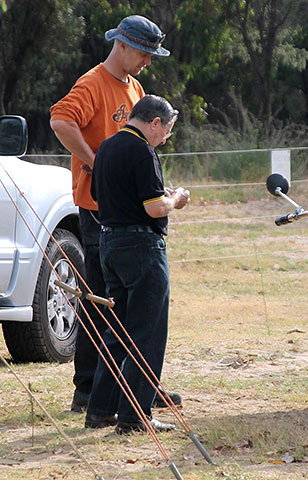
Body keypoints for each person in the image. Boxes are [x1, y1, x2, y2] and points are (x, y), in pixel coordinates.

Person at [50, 15, 180, 412]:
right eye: (144, 53)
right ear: (122, 45)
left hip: (127, 214)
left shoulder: (135, 86)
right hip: (97, 211)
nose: (148, 61)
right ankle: (89, 389)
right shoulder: (92, 83)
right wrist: (94, 162)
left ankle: (134, 385)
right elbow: (60, 119)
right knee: (103, 301)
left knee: (127, 307)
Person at [84, 95, 189, 433]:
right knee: (148, 331)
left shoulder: (107, 147)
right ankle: (134, 416)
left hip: (109, 243)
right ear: (155, 122)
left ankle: (99, 409)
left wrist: (155, 196)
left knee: (117, 331)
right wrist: (175, 199)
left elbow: (100, 197)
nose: (165, 138)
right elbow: (155, 208)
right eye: (167, 131)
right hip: (142, 246)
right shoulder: (143, 149)